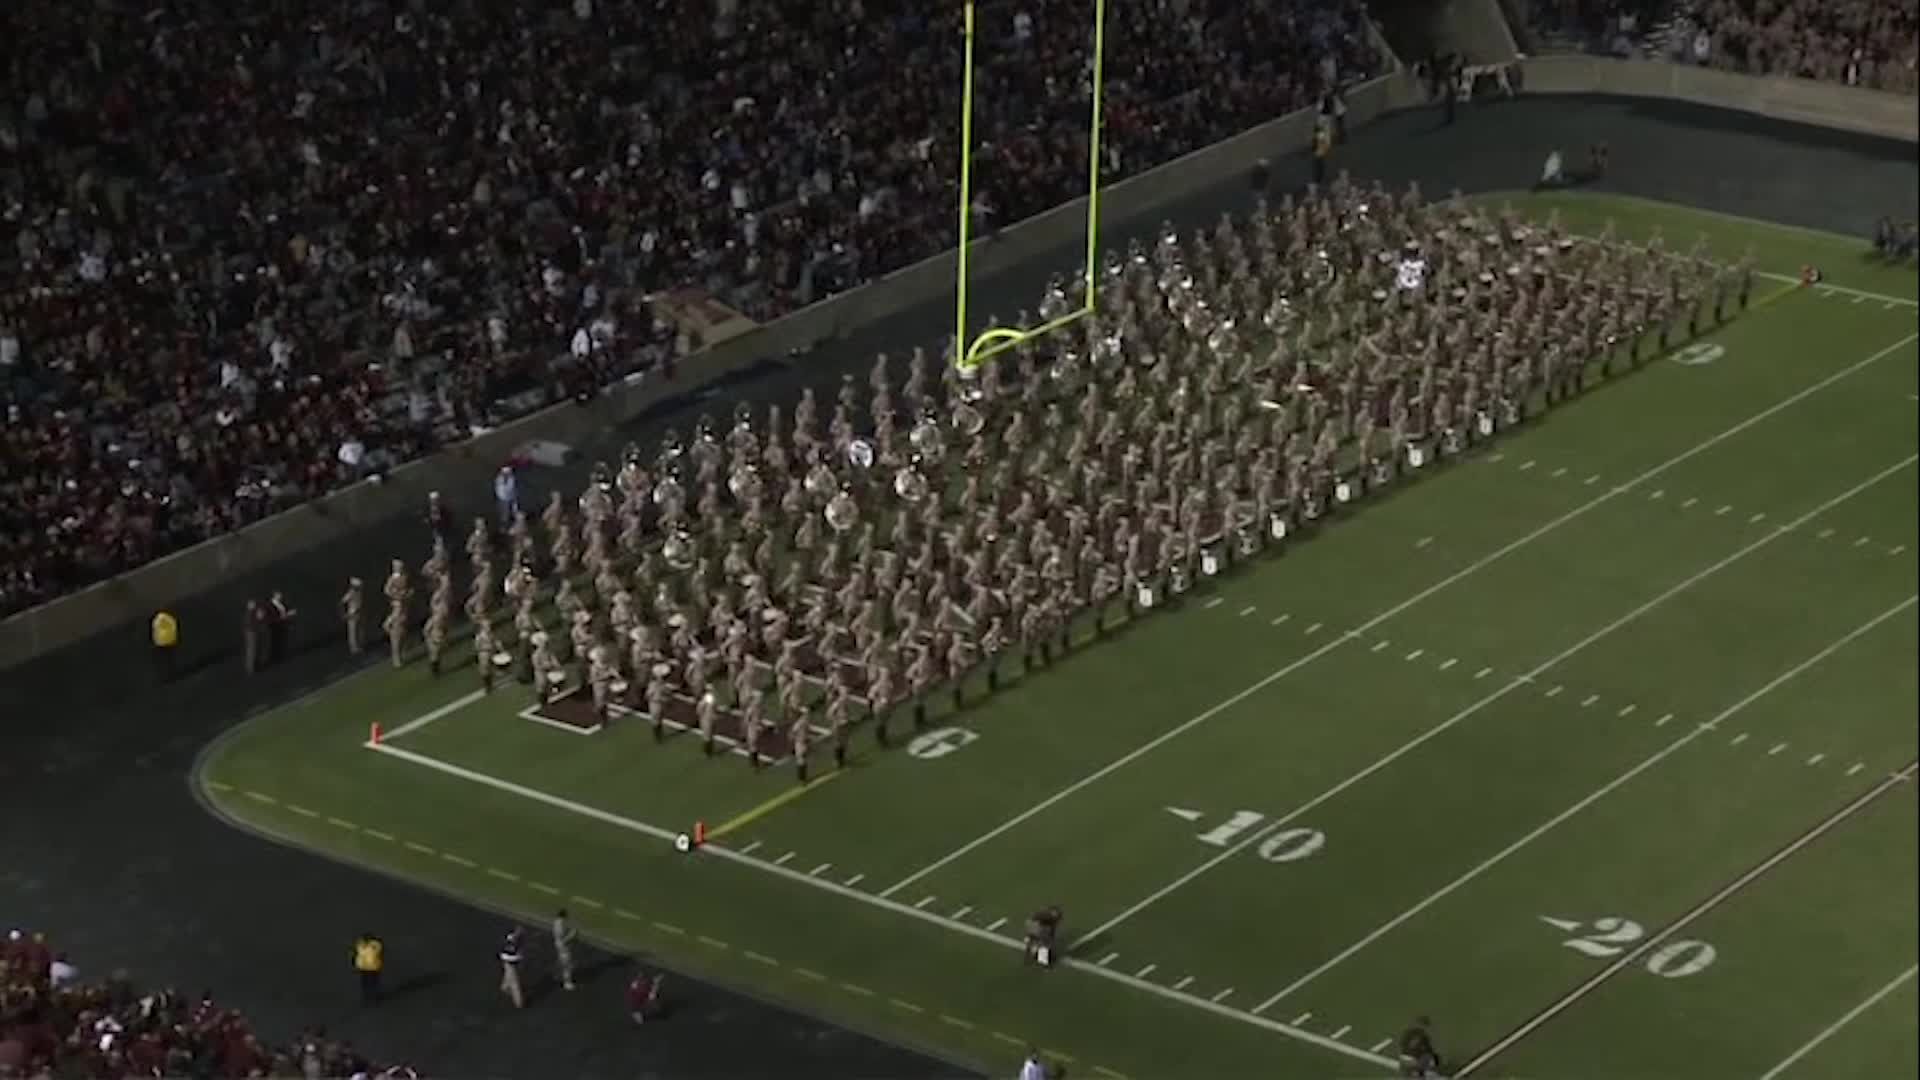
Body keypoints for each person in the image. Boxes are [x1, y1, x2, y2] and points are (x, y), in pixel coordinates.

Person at [498, 928, 526, 1008]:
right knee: (515, 983)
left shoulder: (507, 943)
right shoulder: (512, 946)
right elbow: (513, 956)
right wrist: (519, 957)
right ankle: (519, 1002)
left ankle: (505, 987)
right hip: (511, 964)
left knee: (508, 974)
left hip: (507, 963)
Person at [353, 932, 384, 1004]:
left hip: (373, 968)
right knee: (365, 984)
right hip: (364, 968)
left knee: (373, 983)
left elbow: (378, 951)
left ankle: (374, 997)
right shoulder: (360, 945)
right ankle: (367, 997)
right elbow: (356, 954)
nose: (365, 941)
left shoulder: (375, 945)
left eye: (367, 940)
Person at [551, 909, 577, 992]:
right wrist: (572, 934)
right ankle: (567, 983)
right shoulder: (560, 926)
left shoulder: (556, 922)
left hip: (559, 945)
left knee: (562, 961)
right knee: (567, 966)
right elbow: (563, 939)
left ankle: (557, 974)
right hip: (563, 947)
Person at [150, 609, 179, 683]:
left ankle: (169, 677)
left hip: (164, 643)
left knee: (167, 660)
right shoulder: (164, 620)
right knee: (167, 660)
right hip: (165, 643)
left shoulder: (163, 620)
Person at [268, 591, 296, 664]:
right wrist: (287, 614)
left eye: (281, 595)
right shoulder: (270, 605)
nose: (281, 597)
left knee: (282, 641)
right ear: (275, 596)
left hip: (283, 626)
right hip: (275, 627)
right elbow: (274, 617)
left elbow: (285, 610)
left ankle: (281, 656)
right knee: (276, 642)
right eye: (279, 595)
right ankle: (275, 658)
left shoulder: (281, 603)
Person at [340, 578, 366, 654]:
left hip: (359, 612)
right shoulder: (350, 593)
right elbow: (342, 603)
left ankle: (360, 646)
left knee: (360, 630)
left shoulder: (359, 593)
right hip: (352, 613)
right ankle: (354, 648)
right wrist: (344, 614)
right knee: (353, 631)